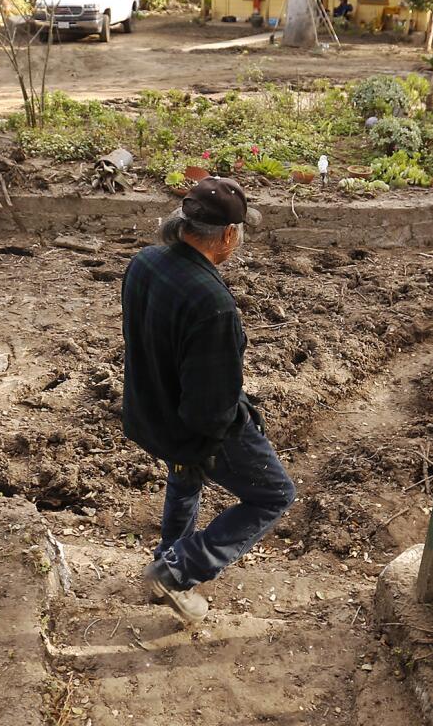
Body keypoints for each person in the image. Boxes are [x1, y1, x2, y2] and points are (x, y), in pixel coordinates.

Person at [120, 177, 295, 623]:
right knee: (273, 495)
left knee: (184, 477)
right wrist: (220, 439)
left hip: (152, 413)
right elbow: (210, 410)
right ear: (230, 235)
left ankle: (169, 555)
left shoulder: (144, 262)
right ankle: (178, 569)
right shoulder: (212, 303)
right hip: (187, 423)